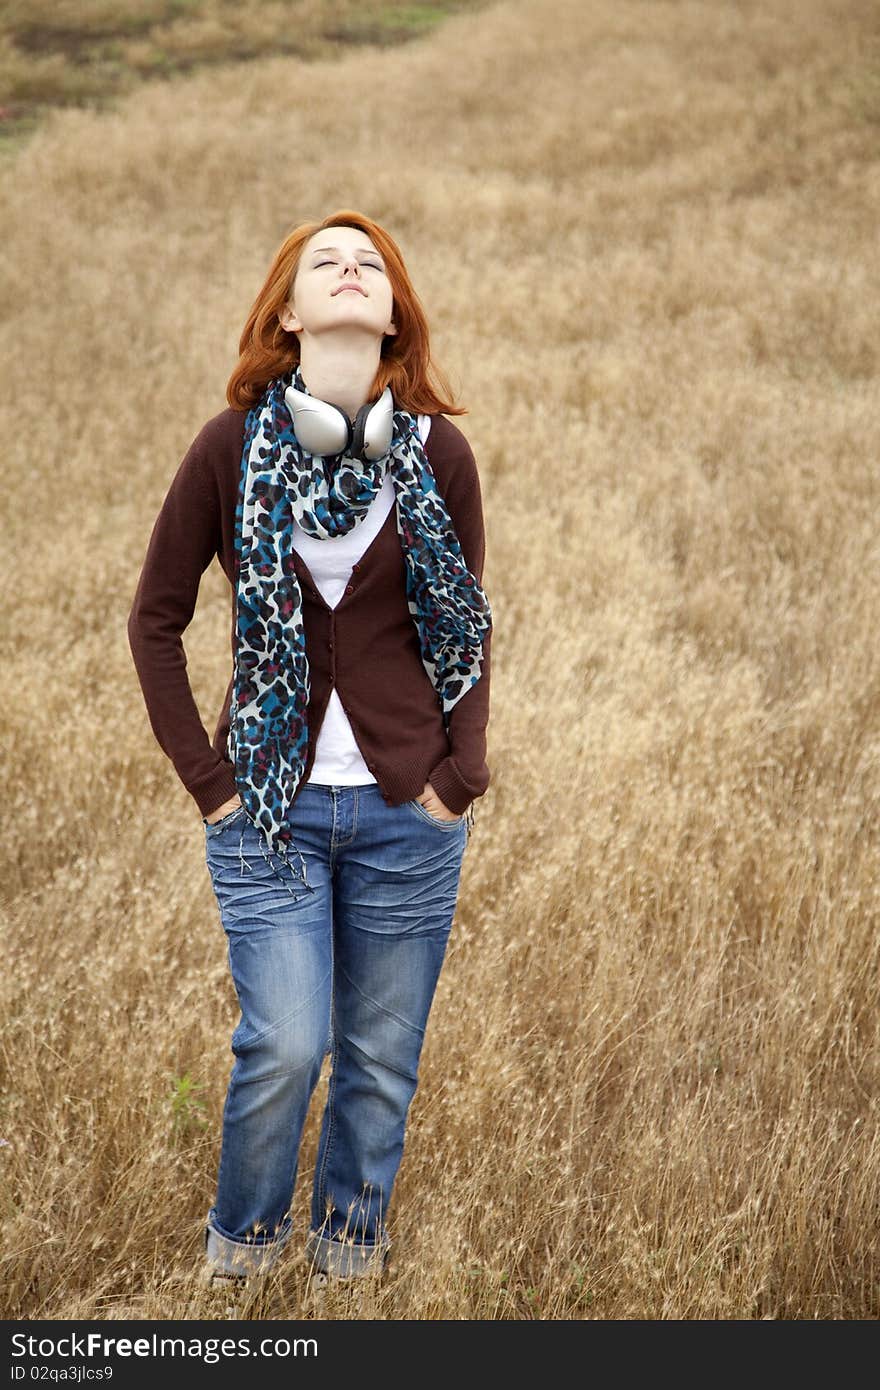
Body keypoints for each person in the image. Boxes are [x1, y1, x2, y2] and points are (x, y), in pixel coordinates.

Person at [127, 210, 493, 1298]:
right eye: (323, 262)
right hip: (269, 811)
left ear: (392, 317)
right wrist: (211, 782)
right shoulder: (229, 447)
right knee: (287, 1046)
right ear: (286, 314)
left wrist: (456, 778)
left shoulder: (439, 457)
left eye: (370, 263)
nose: (350, 270)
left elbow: (465, 624)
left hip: (402, 814)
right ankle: (238, 1261)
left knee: (378, 1067)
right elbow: (155, 619)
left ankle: (346, 1266)